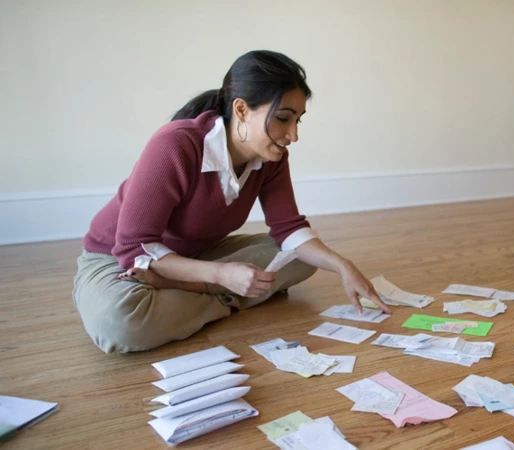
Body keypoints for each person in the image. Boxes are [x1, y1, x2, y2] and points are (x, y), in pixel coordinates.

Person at [73, 50, 391, 354]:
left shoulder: (272, 157)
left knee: (302, 256)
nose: (292, 135)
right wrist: (222, 276)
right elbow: (135, 248)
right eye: (283, 118)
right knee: (121, 322)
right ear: (241, 110)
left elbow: (289, 227)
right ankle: (226, 294)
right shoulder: (176, 144)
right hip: (118, 259)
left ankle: (188, 287)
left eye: (298, 121)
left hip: (196, 254)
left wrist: (342, 266)